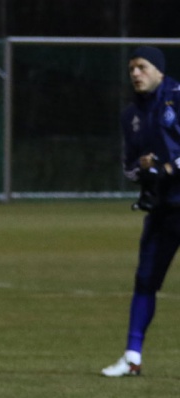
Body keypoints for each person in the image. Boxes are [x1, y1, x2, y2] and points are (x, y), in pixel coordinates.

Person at [102, 46, 180, 377]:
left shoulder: (177, 98)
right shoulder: (131, 116)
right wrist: (144, 169)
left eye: (142, 67)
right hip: (163, 209)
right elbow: (129, 168)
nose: (135, 73)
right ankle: (132, 357)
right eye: (132, 68)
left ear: (160, 71)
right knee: (145, 280)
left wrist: (169, 167)